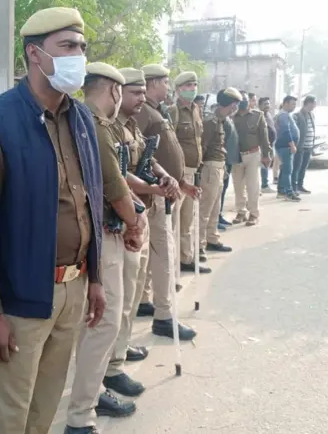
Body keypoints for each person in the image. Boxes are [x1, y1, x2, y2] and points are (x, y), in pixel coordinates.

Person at [0, 7, 106, 434]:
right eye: (68, 46)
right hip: (22, 298)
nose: (79, 55)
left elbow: (92, 201)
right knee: (11, 413)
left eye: (81, 47)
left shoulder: (81, 119)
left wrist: (95, 277)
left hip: (73, 287)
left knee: (45, 406)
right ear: (35, 54)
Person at [65, 62, 142, 433]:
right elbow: (113, 186)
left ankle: (90, 397)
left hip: (93, 231)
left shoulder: (87, 120)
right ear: (114, 90)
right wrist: (134, 222)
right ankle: (82, 415)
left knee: (96, 322)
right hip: (101, 234)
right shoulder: (93, 123)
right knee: (103, 322)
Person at [103, 67, 179, 398]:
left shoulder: (132, 126)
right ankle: (111, 366)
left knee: (132, 293)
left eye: (143, 94)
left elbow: (147, 159)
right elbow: (119, 176)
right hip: (121, 220)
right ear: (118, 93)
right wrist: (153, 188)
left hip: (140, 214)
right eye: (135, 93)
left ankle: (121, 348)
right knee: (118, 299)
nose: (140, 99)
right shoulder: (109, 128)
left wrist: (164, 176)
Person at [134, 64, 197, 340]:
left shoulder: (157, 111)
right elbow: (138, 158)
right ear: (151, 83)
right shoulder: (143, 113)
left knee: (158, 255)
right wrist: (157, 184)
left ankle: (148, 302)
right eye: (165, 82)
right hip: (155, 194)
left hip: (166, 190)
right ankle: (164, 315)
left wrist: (180, 181)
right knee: (163, 254)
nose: (168, 86)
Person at [168, 71, 210, 274]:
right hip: (179, 173)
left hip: (193, 171)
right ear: (178, 90)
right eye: (187, 86)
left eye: (194, 85)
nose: (192, 89)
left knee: (188, 219)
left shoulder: (196, 110)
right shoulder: (173, 111)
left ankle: (186, 258)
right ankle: (172, 267)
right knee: (174, 221)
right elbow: (169, 144)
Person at [197, 88, 240, 268]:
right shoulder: (210, 122)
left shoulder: (222, 121)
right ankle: (199, 246)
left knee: (215, 208)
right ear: (229, 105)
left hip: (219, 166)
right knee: (205, 210)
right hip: (210, 167)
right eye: (234, 105)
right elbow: (203, 147)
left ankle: (212, 238)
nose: (235, 109)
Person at [231, 92, 271, 226]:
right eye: (240, 100)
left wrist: (266, 154)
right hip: (237, 155)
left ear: (249, 101)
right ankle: (241, 212)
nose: (243, 102)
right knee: (238, 186)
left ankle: (254, 213)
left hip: (253, 154)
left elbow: (264, 137)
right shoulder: (232, 116)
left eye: (245, 99)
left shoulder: (258, 116)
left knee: (253, 186)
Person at [218, 97, 240, 230]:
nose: (235, 108)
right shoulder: (221, 120)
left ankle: (219, 215)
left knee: (223, 189)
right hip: (222, 160)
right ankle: (215, 218)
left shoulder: (228, 118)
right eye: (234, 105)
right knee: (219, 191)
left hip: (229, 160)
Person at [274, 95, 301, 202]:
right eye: (292, 104)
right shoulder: (283, 116)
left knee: (284, 169)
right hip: (285, 146)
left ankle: (281, 190)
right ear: (285, 103)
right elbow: (286, 131)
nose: (294, 106)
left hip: (285, 146)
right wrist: (292, 144)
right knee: (288, 170)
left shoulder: (285, 115)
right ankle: (289, 193)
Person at [292, 95, 317, 194]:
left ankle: (300, 185)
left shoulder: (311, 115)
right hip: (300, 147)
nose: (315, 105)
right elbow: (294, 131)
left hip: (309, 146)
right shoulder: (297, 115)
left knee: (303, 168)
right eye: (314, 103)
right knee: (296, 168)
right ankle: (293, 187)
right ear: (309, 103)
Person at [259, 97, 277, 193]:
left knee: (267, 165)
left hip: (270, 144)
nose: (267, 106)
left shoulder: (268, 115)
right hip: (263, 146)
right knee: (263, 165)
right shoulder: (259, 116)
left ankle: (265, 184)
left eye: (268, 104)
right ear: (260, 105)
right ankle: (264, 185)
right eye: (265, 104)